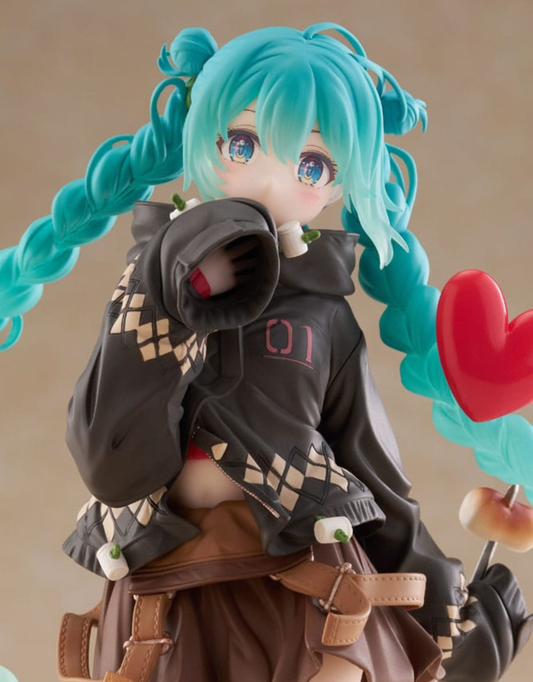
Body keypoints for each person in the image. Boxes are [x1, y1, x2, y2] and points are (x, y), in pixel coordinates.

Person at [1, 23, 530, 682]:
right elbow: (108, 459)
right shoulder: (151, 284)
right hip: (163, 593)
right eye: (243, 144)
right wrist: (175, 293)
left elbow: (374, 473)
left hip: (305, 585)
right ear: (202, 141)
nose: (271, 177)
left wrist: (443, 610)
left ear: (338, 184)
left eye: (311, 165)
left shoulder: (323, 316)